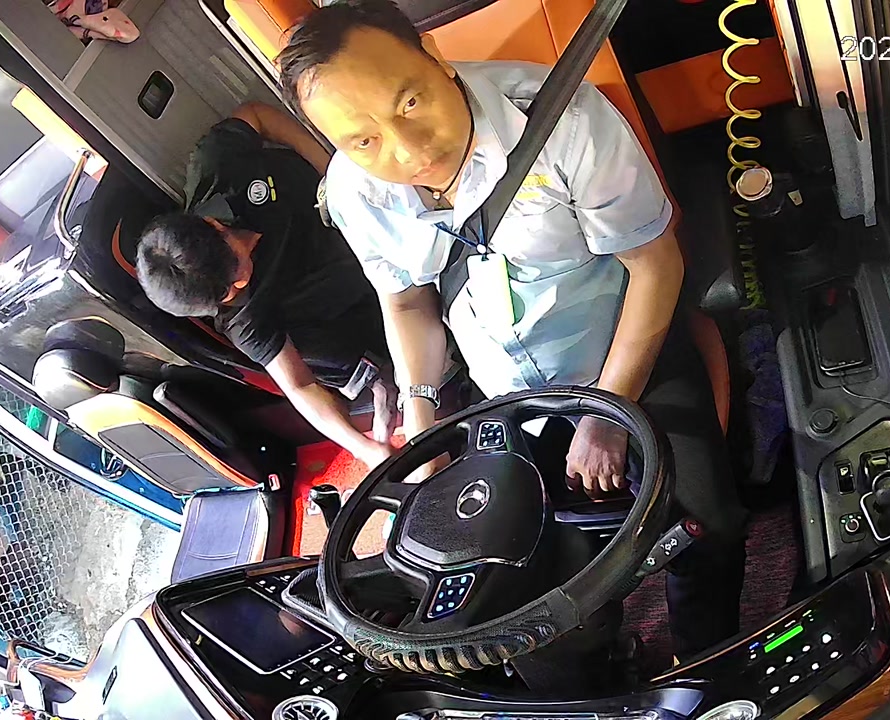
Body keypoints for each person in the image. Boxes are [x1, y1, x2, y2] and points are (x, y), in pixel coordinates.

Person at [277, 0, 748, 660]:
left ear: (435, 59)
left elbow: (655, 264)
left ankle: (704, 662)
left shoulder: (565, 121)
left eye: (409, 102)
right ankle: (605, 667)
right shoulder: (356, 191)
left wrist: (608, 411)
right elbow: (408, 304)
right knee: (517, 592)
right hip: (501, 393)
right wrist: (423, 426)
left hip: (622, 350)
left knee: (707, 526)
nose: (408, 150)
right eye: (363, 141)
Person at [135, 101, 396, 469]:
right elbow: (300, 387)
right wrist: (363, 448)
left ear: (214, 224)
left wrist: (334, 170)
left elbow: (258, 115)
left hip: (360, 191)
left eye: (237, 265)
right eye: (230, 290)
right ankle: (380, 375)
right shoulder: (244, 321)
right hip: (367, 274)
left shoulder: (217, 167)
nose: (241, 281)